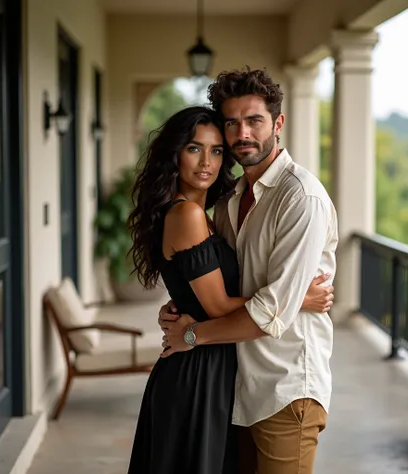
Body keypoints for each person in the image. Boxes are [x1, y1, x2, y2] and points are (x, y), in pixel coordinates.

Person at [126, 105, 334, 474]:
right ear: (174, 154)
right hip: (197, 370)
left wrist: (181, 308)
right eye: (194, 148)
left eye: (216, 150)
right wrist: (298, 298)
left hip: (221, 366)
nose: (206, 161)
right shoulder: (188, 215)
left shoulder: (216, 211)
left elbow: (202, 289)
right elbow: (219, 303)